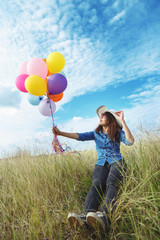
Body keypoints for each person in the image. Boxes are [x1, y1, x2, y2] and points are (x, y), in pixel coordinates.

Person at [52, 105, 134, 232]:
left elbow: (130, 141)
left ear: (111, 119)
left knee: (111, 182)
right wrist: (60, 133)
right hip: (101, 164)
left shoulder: (118, 132)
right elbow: (79, 136)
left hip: (117, 161)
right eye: (101, 115)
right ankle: (86, 217)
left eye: (104, 115)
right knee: (97, 184)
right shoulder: (96, 134)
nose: (101, 117)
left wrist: (122, 121)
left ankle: (105, 216)